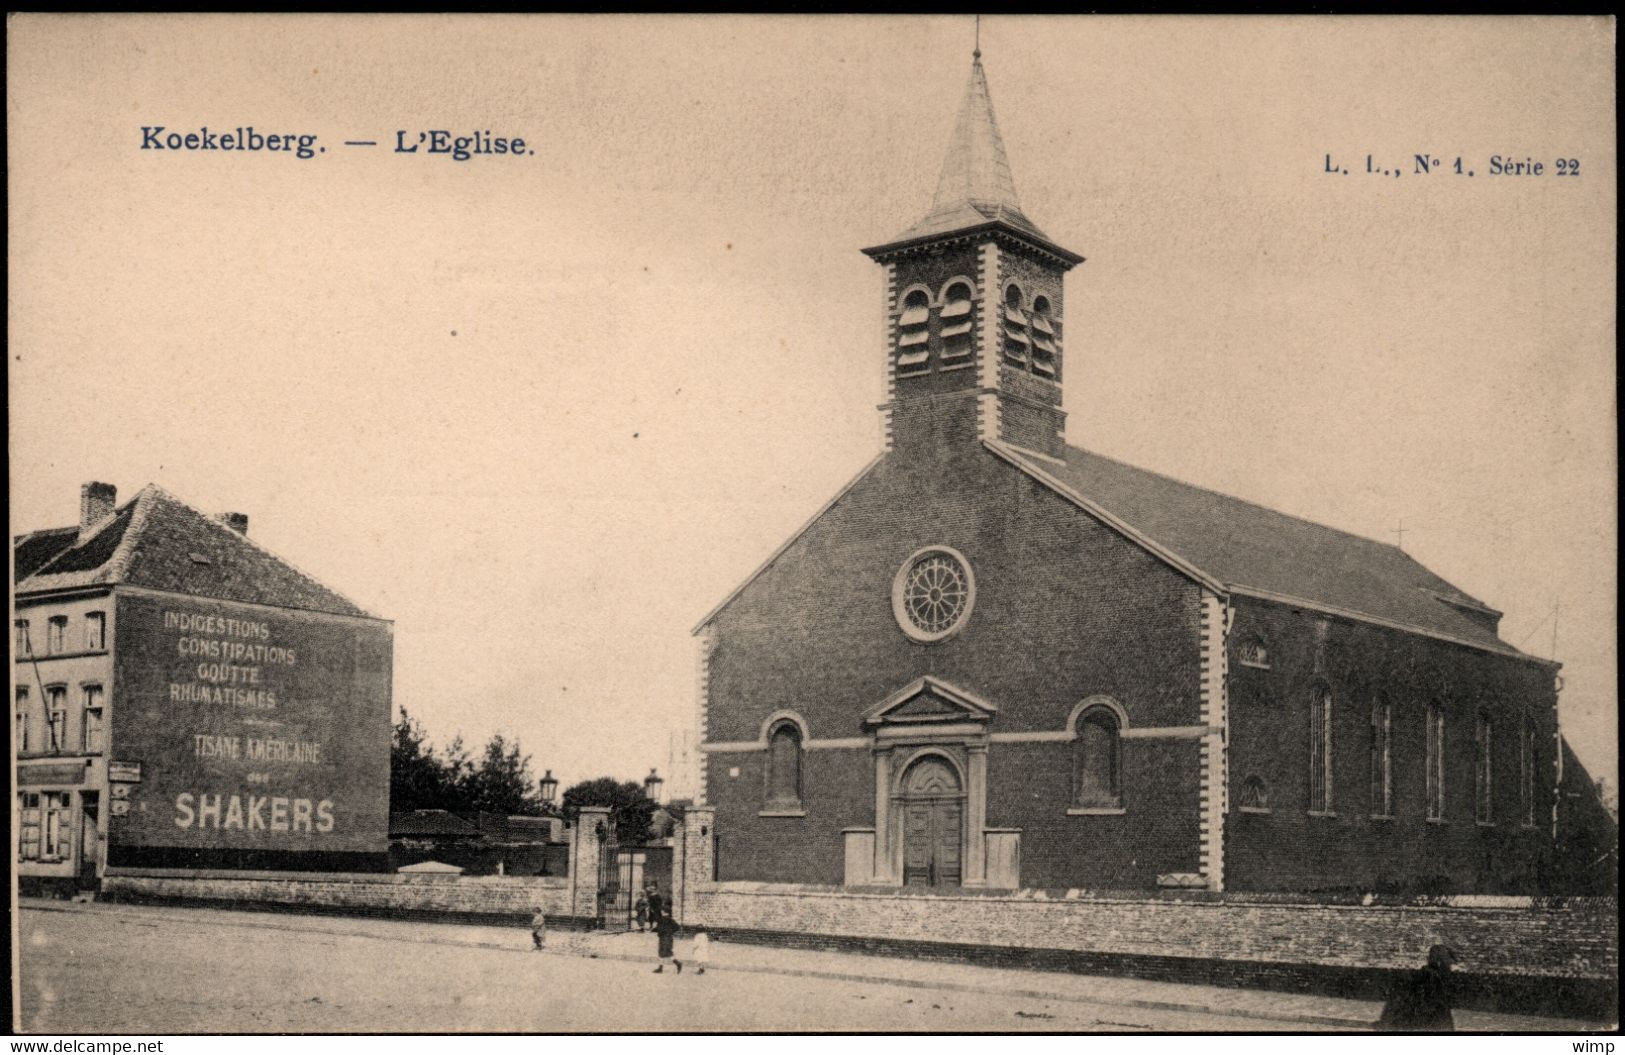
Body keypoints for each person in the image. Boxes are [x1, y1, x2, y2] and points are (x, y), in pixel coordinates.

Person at [1376, 944, 1458, 1032]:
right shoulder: (1434, 981)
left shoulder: (1421, 977)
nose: (1452, 969)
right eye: (1449, 964)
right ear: (1440, 963)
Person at [652, 909, 682, 974]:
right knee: (667, 952)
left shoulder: (661, 919)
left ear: (663, 912)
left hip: (663, 938)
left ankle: (677, 964)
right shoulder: (671, 919)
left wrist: (653, 930)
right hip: (669, 938)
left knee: (662, 952)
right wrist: (671, 932)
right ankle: (661, 968)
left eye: (662, 911)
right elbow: (677, 927)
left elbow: (658, 928)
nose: (661, 912)